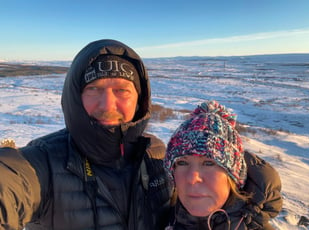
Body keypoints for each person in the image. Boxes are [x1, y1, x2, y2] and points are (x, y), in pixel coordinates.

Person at [0, 39, 172, 229]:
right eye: (93, 89)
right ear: (75, 97)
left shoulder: (156, 154)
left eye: (122, 90)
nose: (107, 105)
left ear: (139, 100)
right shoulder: (45, 160)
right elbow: (9, 181)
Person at [164, 100, 282, 230]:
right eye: (182, 162)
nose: (192, 178)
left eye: (208, 163)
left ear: (234, 176)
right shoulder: (161, 220)